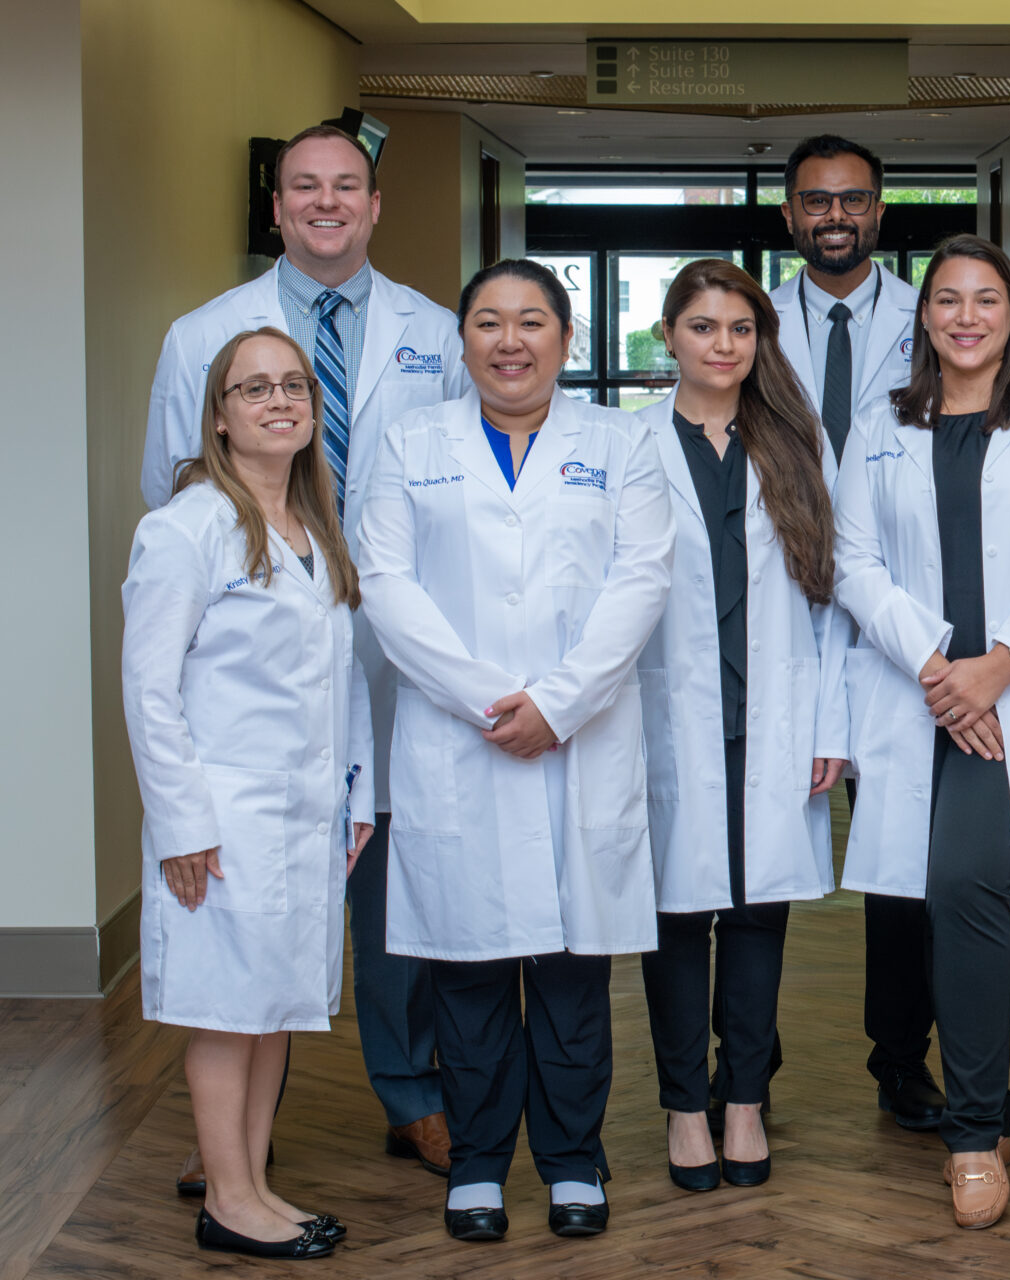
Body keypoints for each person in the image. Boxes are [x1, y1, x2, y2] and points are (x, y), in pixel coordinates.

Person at [142, 124, 467, 1191]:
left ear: (375, 206)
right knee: (248, 888)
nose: (326, 203)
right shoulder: (206, 332)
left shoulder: (433, 329)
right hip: (263, 642)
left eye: (347, 187)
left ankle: (412, 1088)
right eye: (303, 189)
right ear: (274, 209)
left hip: (396, 640)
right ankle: (239, 1135)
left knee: (386, 876)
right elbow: (175, 490)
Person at [353, 259, 675, 1242]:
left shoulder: (619, 445)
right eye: (488, 321)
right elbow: (386, 583)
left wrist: (558, 703)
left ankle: (575, 1159)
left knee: (576, 974)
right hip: (463, 739)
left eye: (532, 320)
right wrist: (490, 701)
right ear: (461, 342)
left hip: (579, 737)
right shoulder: (414, 442)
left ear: (567, 341)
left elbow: (642, 581)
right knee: (470, 970)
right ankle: (481, 1163)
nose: (510, 340)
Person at [833, 235, 1010, 1229]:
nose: (965, 315)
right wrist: (937, 668)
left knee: (963, 883)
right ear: (924, 317)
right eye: (947, 298)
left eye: (985, 298)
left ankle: (971, 1128)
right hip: (923, 698)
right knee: (933, 892)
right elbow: (851, 559)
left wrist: (996, 668)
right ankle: (983, 1107)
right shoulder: (879, 421)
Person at [121, 328, 372, 1259]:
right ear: (219, 418)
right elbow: (148, 690)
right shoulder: (186, 528)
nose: (278, 401)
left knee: (272, 1004)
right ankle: (228, 1200)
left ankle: (257, 1185)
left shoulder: (313, 526)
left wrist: (357, 797)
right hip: (221, 818)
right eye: (252, 388)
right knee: (228, 1011)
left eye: (293, 386)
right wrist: (181, 824)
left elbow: (344, 684)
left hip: (303, 813)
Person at [631, 260, 849, 1192]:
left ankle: (746, 1102)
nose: (723, 345)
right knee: (676, 917)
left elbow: (832, 596)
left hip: (775, 712)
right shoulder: (627, 445)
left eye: (741, 329)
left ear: (761, 342)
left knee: (759, 915)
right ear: (667, 337)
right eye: (703, 327)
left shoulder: (796, 442)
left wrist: (828, 720)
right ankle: (686, 1107)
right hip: (663, 716)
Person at [771, 133, 942, 1132]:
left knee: (900, 855)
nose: (836, 216)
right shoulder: (756, 320)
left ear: (880, 211)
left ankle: (900, 1054)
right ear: (790, 216)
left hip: (895, 607)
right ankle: (746, 1050)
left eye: (855, 200)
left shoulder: (931, 318)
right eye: (816, 201)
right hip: (783, 595)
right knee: (758, 834)